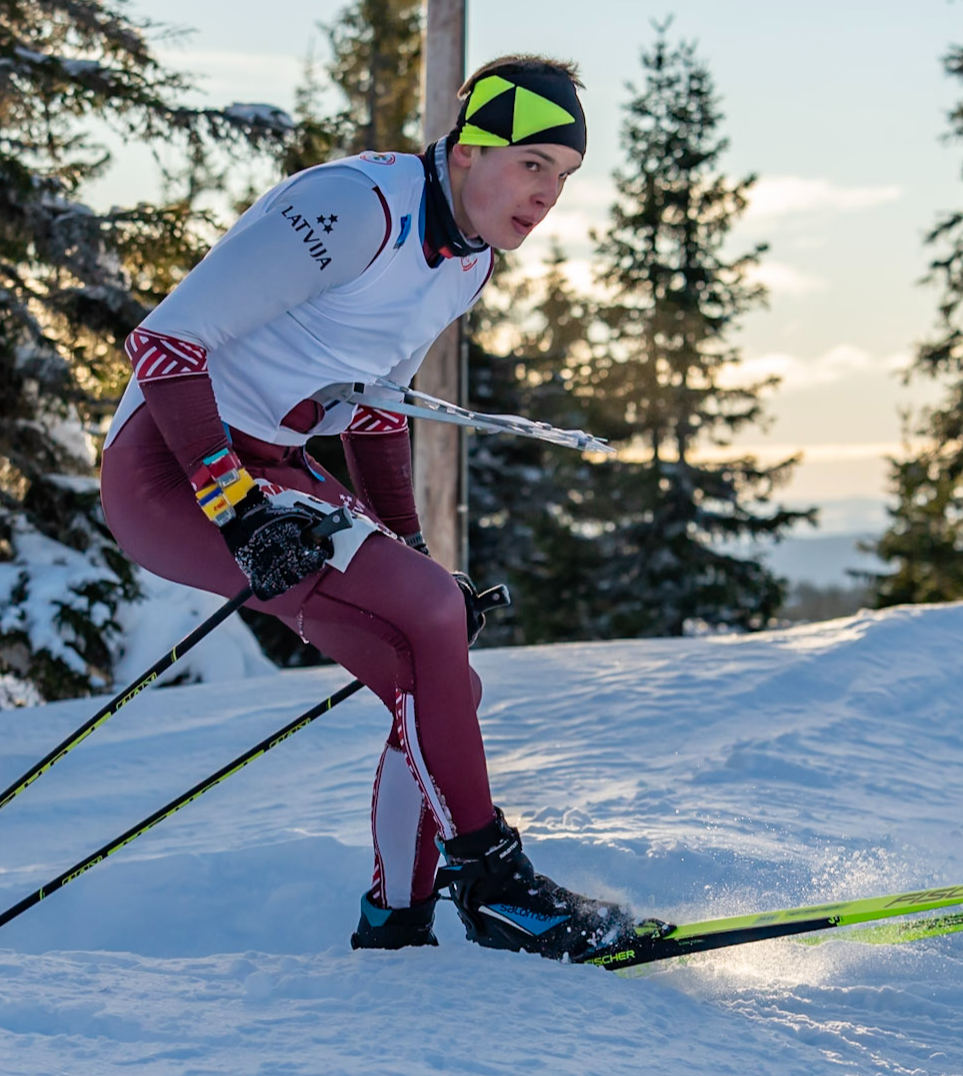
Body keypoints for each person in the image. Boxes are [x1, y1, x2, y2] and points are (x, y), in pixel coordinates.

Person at [98, 56, 633, 962]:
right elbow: (164, 343)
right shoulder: (356, 209)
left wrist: (417, 553)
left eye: (564, 176)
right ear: (466, 152)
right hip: (169, 467)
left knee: (439, 677)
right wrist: (237, 509)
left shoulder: (467, 265)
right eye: (531, 162)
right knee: (426, 624)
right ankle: (496, 888)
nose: (547, 195)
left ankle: (396, 922)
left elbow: (376, 406)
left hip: (272, 466)